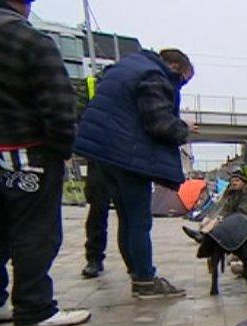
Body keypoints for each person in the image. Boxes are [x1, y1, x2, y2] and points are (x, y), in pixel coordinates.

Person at [0, 0, 91, 326]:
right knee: (36, 232)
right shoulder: (29, 40)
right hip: (28, 152)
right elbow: (59, 102)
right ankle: (34, 307)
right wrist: (61, 149)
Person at [73, 48, 195, 299]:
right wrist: (184, 128)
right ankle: (145, 280)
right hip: (126, 156)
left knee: (127, 217)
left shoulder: (126, 69)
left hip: (103, 155)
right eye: (182, 80)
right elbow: (160, 123)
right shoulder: (153, 76)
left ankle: (137, 272)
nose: (179, 87)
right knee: (139, 220)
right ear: (174, 67)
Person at [182, 168, 247, 242]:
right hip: (235, 216)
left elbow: (242, 211)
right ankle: (201, 232)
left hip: (244, 219)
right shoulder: (234, 192)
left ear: (244, 182)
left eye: (237, 181)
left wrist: (224, 219)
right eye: (232, 181)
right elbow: (226, 208)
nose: (234, 183)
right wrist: (215, 217)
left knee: (219, 221)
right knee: (214, 217)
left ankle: (203, 235)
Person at [80, 160, 110, 278]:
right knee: (97, 212)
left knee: (129, 217)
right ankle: (94, 258)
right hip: (98, 160)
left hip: (124, 159)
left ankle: (136, 263)